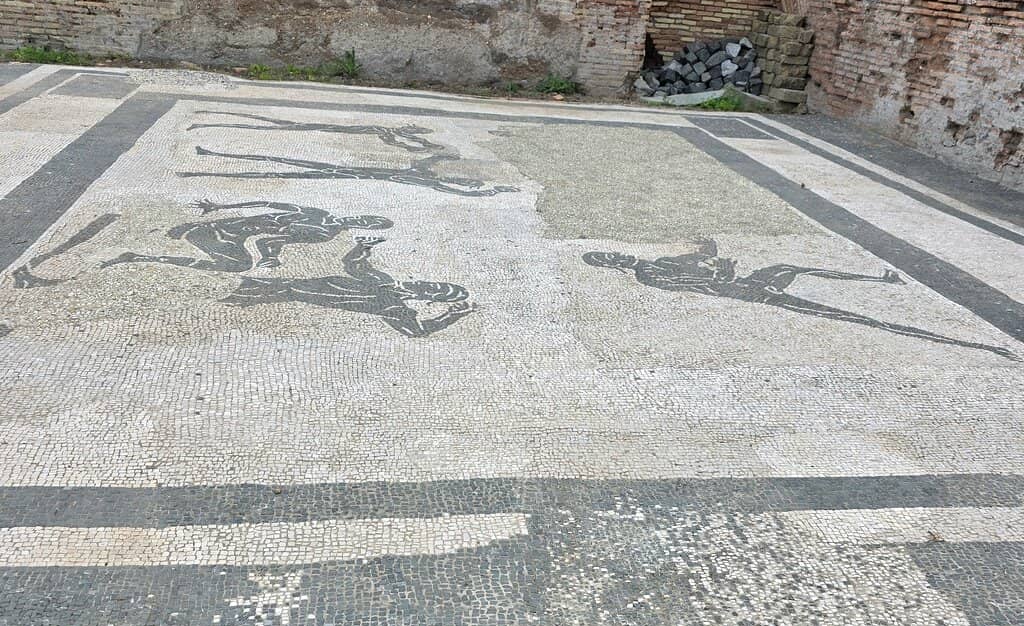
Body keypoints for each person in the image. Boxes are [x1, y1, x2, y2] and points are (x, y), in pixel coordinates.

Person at [583, 239, 1016, 360]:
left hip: (744, 280)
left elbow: (700, 262)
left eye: (609, 252)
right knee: (852, 317)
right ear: (611, 267)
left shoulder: (658, 260)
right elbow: (698, 283)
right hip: (751, 293)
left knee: (794, 265)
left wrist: (709, 251)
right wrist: (718, 272)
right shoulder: (648, 274)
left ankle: (879, 279)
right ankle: (977, 345)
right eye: (607, 260)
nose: (615, 256)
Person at [223, 236, 476, 338]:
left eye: (436, 290)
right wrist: (364, 247)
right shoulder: (384, 281)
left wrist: (452, 315)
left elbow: (416, 331)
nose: (429, 284)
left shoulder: (395, 306)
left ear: (428, 298)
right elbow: (354, 265)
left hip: (285, 292)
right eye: (438, 283)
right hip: (282, 285)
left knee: (227, 297)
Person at [102, 200, 392, 272]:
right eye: (367, 217)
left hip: (227, 237)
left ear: (365, 227)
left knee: (238, 265)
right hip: (216, 228)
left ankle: (140, 257)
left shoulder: (325, 233)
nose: (362, 220)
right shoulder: (318, 215)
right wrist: (219, 208)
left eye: (369, 223)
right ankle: (138, 256)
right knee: (237, 265)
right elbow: (266, 203)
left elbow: (269, 240)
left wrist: (270, 258)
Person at [179, 147, 519, 197]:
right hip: (344, 168)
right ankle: (215, 154)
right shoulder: (426, 173)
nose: (461, 180)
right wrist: (443, 154)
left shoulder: (431, 184)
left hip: (343, 176)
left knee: (282, 174)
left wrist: (495, 191)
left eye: (465, 181)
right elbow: (429, 162)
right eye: (465, 178)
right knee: (283, 160)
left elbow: (455, 191)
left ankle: (201, 175)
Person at [187, 111, 443, 153]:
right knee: (268, 123)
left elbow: (399, 140)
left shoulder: (386, 131)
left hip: (325, 128)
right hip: (321, 127)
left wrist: (422, 144)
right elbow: (397, 142)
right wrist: (419, 145)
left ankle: (206, 123)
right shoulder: (382, 130)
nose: (409, 128)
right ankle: (208, 122)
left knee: (270, 123)